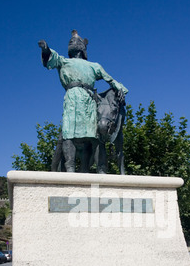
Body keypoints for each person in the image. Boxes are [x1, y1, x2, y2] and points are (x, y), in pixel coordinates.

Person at [38, 30, 128, 172]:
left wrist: (120, 89)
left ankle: (101, 170)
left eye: (75, 41)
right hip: (72, 98)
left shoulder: (94, 66)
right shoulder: (64, 61)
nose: (71, 43)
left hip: (89, 100)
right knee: (69, 133)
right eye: (70, 42)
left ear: (82, 47)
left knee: (95, 135)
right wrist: (46, 49)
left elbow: (110, 79)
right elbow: (52, 57)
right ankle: (70, 169)